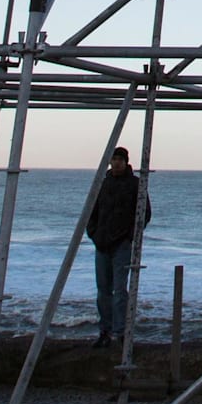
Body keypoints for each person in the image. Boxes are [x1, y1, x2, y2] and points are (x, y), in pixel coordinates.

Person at [87, 146, 150, 345]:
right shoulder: (102, 184)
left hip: (121, 244)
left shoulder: (135, 184)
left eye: (119, 160)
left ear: (126, 162)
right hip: (102, 243)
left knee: (120, 290)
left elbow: (144, 213)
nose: (116, 163)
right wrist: (94, 233)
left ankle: (120, 331)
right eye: (113, 159)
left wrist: (130, 235)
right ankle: (105, 330)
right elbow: (92, 210)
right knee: (103, 290)